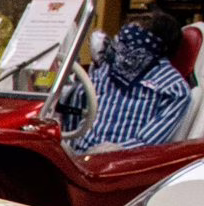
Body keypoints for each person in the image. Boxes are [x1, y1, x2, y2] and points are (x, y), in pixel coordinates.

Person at [61, 9, 192, 154]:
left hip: (120, 162)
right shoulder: (108, 68)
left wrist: (118, 149)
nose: (120, 46)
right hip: (74, 156)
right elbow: (78, 109)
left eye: (130, 39)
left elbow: (149, 141)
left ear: (154, 46)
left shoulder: (174, 89)